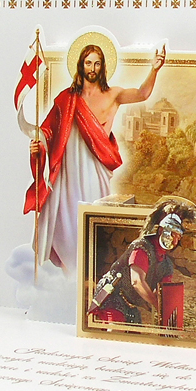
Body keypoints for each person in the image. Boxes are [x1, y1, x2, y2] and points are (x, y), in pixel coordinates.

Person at [25, 40, 166, 272]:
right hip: (68, 172)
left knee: (93, 217)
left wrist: (154, 69)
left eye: (97, 63)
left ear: (103, 66)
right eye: (88, 63)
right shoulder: (66, 99)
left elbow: (142, 93)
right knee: (66, 220)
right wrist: (38, 146)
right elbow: (47, 131)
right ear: (81, 65)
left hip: (95, 169)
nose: (92, 68)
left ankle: (93, 271)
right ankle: (70, 275)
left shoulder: (113, 94)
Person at [89, 201, 195, 324]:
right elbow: (137, 282)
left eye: (178, 237)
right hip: (112, 295)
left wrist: (169, 310)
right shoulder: (142, 247)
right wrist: (157, 305)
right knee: (116, 328)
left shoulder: (167, 265)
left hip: (131, 305)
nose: (175, 241)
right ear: (161, 230)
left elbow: (162, 293)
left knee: (135, 334)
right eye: (173, 234)